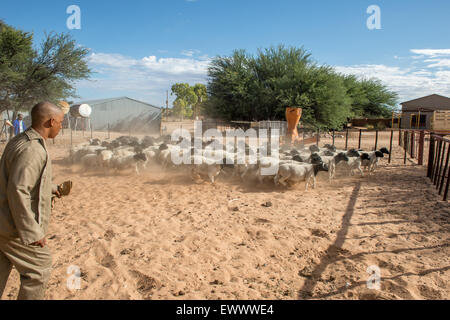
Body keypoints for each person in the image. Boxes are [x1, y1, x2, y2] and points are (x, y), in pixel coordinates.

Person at [0, 102, 64, 300]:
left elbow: (19, 179)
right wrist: (32, 232)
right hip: (15, 228)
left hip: (3, 222)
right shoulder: (33, 149)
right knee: (39, 268)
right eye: (60, 123)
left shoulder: (21, 140)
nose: (61, 127)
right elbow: (18, 190)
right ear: (51, 121)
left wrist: (51, 189)